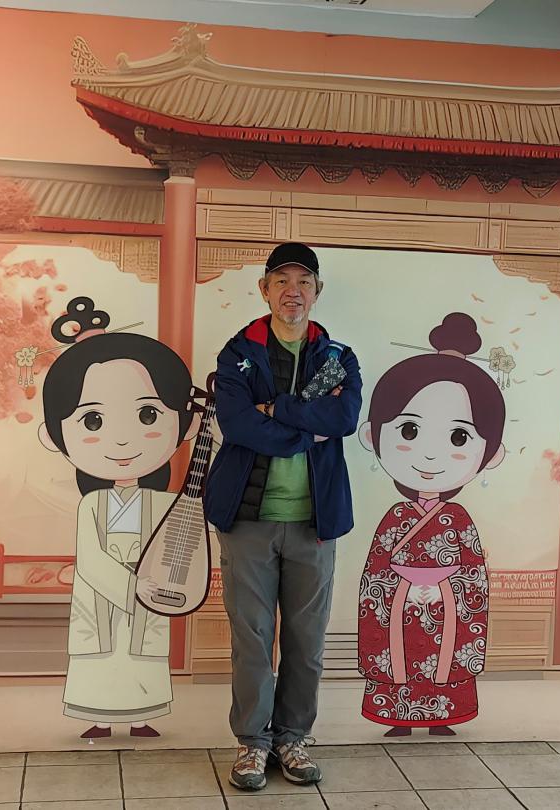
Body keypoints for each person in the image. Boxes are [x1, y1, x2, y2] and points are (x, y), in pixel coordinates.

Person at [203, 242, 362, 791]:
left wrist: (278, 409)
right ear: (265, 289)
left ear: (317, 291)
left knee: (306, 639)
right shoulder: (238, 352)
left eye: (304, 282)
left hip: (315, 522)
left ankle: (293, 738)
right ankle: (253, 742)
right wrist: (304, 431)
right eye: (282, 281)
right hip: (247, 520)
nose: (293, 291)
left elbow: (344, 417)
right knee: (251, 638)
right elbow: (237, 424)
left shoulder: (338, 356)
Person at [37, 297, 198, 739]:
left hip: (151, 586)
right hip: (105, 591)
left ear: (185, 425)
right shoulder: (92, 506)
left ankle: (142, 717)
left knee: (142, 655)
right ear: (54, 434)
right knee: (101, 655)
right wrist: (133, 587)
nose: (123, 440)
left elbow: (181, 546)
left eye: (147, 414)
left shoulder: (164, 504)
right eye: (93, 420)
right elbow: (90, 560)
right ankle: (102, 718)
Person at [356, 313, 501, 737]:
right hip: (401, 606)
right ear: (374, 435)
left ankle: (442, 717)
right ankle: (399, 717)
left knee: (442, 656)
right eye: (409, 430)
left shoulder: (459, 519)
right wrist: (404, 587)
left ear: (490, 453)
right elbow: (375, 572)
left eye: (458, 438)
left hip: (444, 606)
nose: (431, 456)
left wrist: (442, 589)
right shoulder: (396, 517)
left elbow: (473, 573)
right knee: (402, 655)